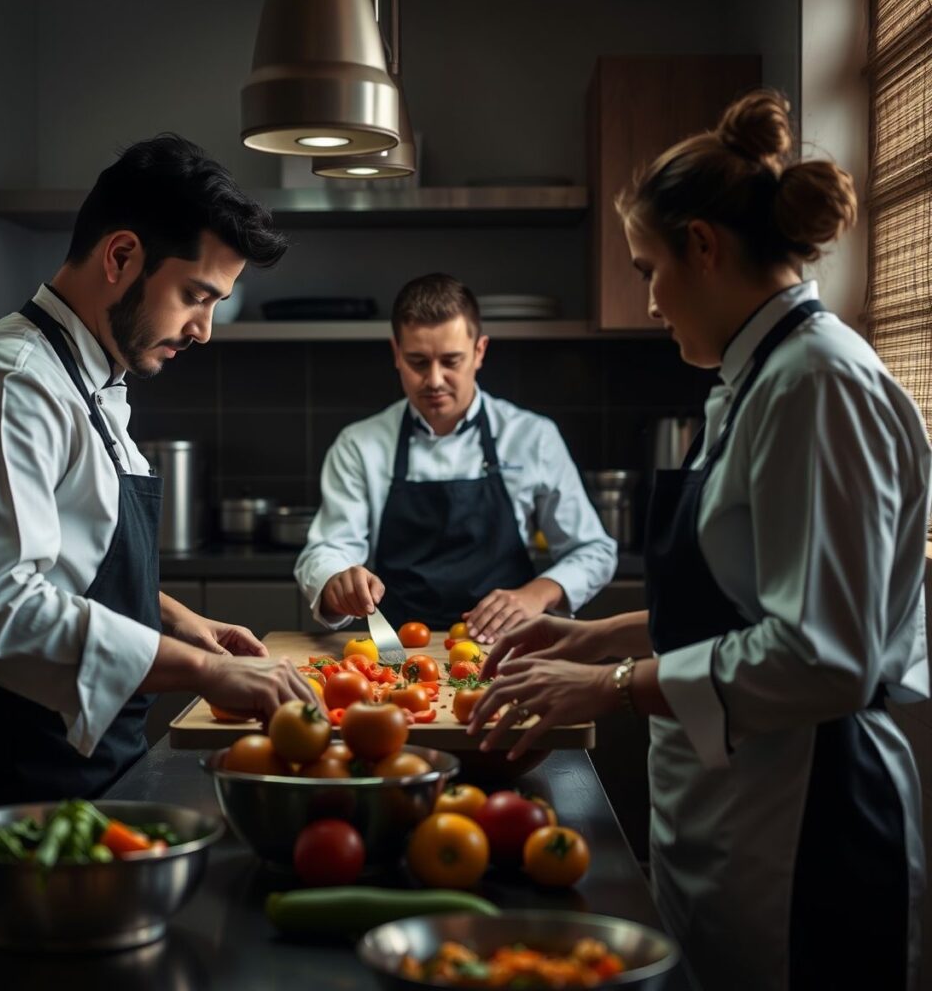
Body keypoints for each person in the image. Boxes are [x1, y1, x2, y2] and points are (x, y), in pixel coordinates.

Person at [470, 91, 929, 991]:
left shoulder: (818, 386)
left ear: (704, 247)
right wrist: (596, 637)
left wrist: (608, 685)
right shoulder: (760, 379)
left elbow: (821, 655)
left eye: (650, 267)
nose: (647, 300)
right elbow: (748, 599)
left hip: (805, 828)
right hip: (734, 816)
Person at [0, 134, 320, 816]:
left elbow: (70, 563)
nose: (204, 330)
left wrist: (184, 624)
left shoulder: (92, 382)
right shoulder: (7, 387)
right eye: (196, 294)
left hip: (91, 771)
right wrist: (205, 671)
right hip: (9, 784)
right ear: (122, 256)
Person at [294, 273, 617, 640]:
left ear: (479, 352)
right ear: (396, 354)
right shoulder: (359, 444)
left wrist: (536, 595)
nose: (434, 380)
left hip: (510, 649)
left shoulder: (533, 436)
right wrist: (337, 580)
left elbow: (594, 550)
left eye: (451, 361)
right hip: (398, 650)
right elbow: (326, 549)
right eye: (418, 361)